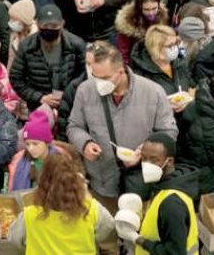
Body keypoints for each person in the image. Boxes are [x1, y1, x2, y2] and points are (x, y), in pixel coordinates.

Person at [67, 41, 178, 207]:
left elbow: (168, 131)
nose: (99, 83)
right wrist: (85, 144)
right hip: (102, 181)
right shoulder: (85, 90)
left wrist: (143, 152)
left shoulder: (153, 92)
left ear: (121, 71)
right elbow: (74, 126)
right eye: (95, 77)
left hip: (141, 181)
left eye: (105, 78)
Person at [7, 154, 114, 254]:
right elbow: (108, 229)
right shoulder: (91, 209)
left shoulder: (29, 215)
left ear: (42, 183)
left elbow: (14, 240)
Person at [115, 133, 198, 254]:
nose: (146, 164)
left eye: (153, 159)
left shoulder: (172, 204)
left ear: (169, 161)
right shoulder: (167, 183)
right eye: (144, 158)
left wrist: (137, 239)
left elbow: (174, 252)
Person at [10, 4, 87, 111]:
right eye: (45, 26)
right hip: (38, 107)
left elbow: (85, 74)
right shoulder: (27, 46)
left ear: (62, 24)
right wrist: (39, 98)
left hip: (71, 105)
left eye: (54, 26)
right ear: (37, 24)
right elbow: (15, 78)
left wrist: (68, 94)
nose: (49, 29)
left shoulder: (76, 45)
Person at [131, 24, 194, 106]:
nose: (175, 48)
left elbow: (192, 85)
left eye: (176, 43)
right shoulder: (141, 75)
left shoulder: (180, 61)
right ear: (156, 48)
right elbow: (142, 104)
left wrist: (190, 97)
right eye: (170, 45)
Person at [115, 0, 168, 66]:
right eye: (146, 9)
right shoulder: (128, 22)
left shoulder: (162, 17)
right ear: (139, 8)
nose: (151, 13)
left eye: (154, 8)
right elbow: (123, 52)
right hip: (135, 64)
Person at [7, 0, 36, 70]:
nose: (10, 22)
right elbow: (11, 59)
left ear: (24, 20)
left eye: (14, 19)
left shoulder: (36, 38)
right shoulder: (14, 35)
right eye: (10, 18)